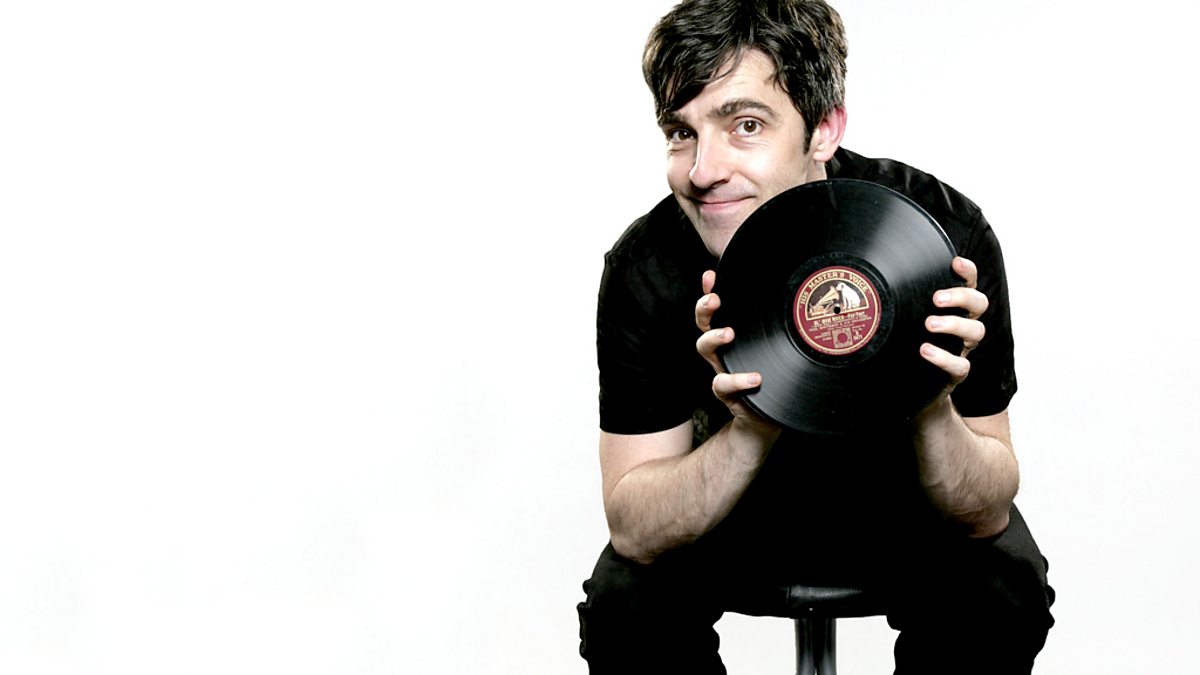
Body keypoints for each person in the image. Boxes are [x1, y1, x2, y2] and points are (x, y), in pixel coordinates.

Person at [576, 1, 1055, 673]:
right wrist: (749, 423)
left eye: (745, 125)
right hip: (726, 514)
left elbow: (986, 509)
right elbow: (635, 528)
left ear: (823, 129)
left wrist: (931, 401)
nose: (703, 170)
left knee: (999, 596)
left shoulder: (940, 237)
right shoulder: (646, 269)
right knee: (627, 611)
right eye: (681, 132)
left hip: (901, 509)